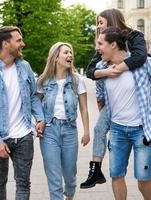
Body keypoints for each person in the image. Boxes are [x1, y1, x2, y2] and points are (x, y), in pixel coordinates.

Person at [81, 8, 151, 190]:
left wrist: (121, 68)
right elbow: (92, 72)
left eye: (101, 22)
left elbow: (141, 57)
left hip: (145, 100)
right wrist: (107, 71)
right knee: (100, 127)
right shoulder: (102, 59)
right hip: (117, 126)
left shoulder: (135, 37)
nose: (98, 27)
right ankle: (95, 169)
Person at [0, 26, 45, 200]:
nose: (23, 44)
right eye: (19, 40)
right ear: (6, 44)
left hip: (24, 136)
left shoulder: (25, 67)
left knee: (23, 183)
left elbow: (33, 96)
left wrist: (40, 118)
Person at [37, 42, 90, 200]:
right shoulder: (43, 81)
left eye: (71, 53)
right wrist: (39, 120)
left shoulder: (77, 80)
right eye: (66, 53)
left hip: (69, 130)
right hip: (49, 131)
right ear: (55, 57)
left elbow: (84, 108)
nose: (70, 56)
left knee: (70, 175)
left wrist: (86, 131)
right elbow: (34, 104)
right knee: (54, 177)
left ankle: (69, 196)